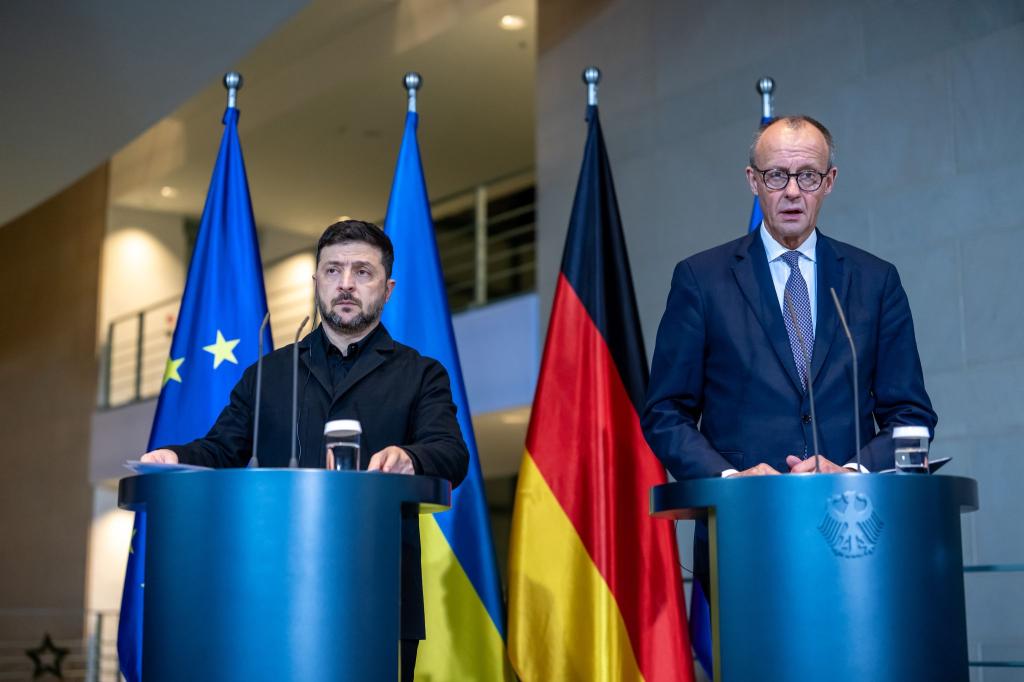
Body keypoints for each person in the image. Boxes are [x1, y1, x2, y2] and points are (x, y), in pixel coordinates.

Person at [142, 219, 469, 681]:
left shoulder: (421, 373)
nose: (346, 285)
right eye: (333, 271)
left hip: (378, 596)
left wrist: (411, 458)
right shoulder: (270, 373)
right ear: (316, 281)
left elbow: (451, 454)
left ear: (388, 288)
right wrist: (175, 458)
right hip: (272, 596)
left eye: (363, 272)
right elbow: (221, 449)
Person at [641, 115, 937, 586]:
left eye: (808, 176)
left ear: (830, 182)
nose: (793, 191)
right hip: (743, 534)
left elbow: (911, 416)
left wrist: (853, 470)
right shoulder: (701, 279)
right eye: (777, 175)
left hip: (854, 530)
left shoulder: (875, 281)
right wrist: (729, 481)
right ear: (753, 181)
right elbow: (665, 411)